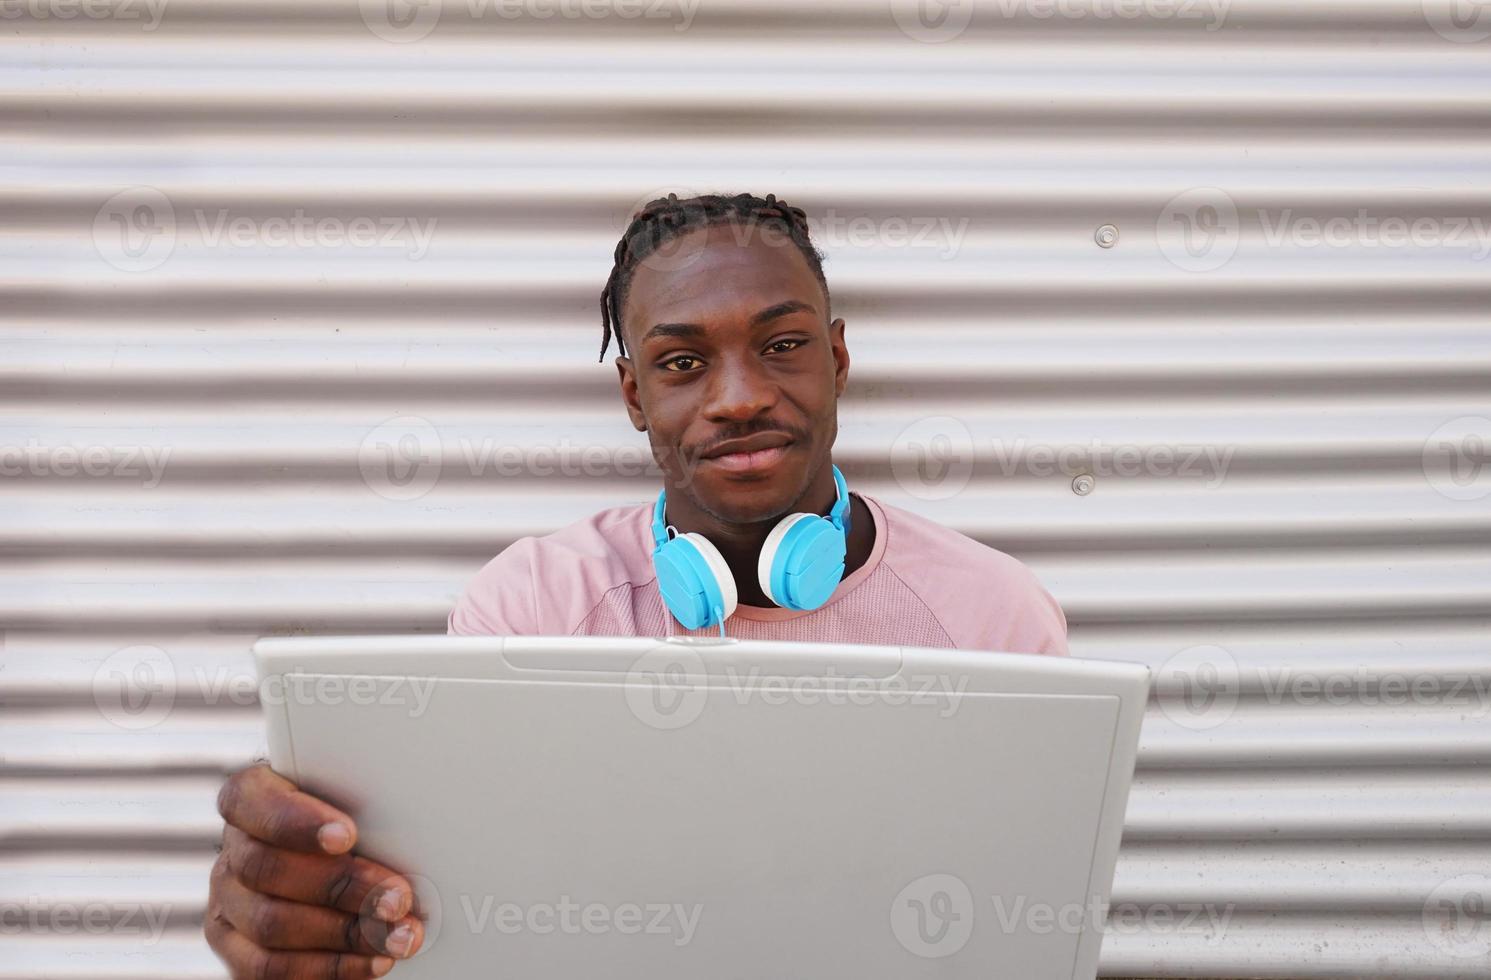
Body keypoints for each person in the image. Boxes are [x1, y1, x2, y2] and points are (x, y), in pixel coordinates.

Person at [206, 192, 1069, 978]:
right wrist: (331, 857)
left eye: (781, 345)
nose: (737, 398)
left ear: (836, 358)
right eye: (683, 363)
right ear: (632, 394)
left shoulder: (992, 612)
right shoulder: (530, 610)